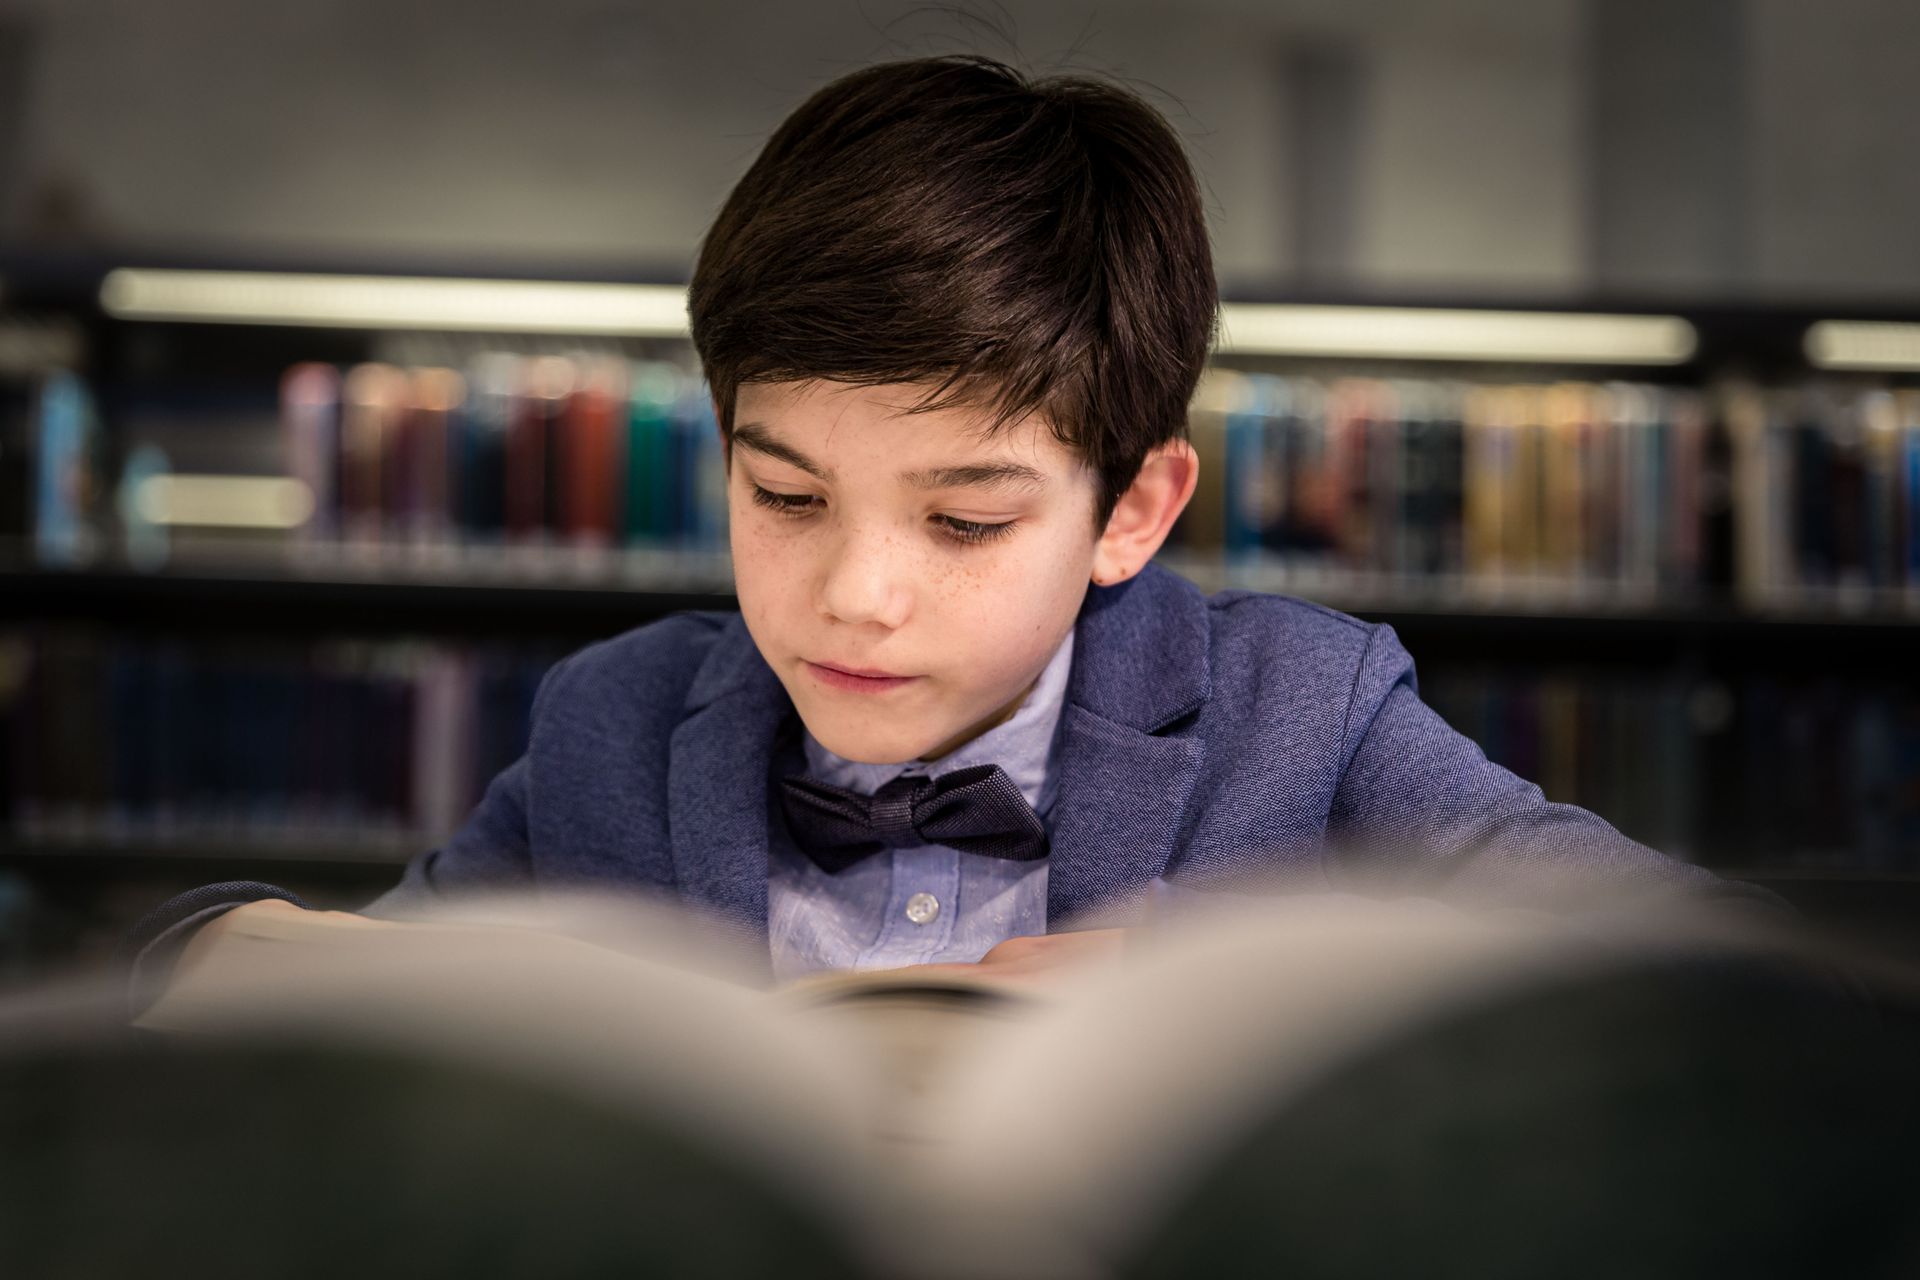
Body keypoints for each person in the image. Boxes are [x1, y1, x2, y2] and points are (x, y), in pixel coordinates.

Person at [127, 54, 1778, 1000]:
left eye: (968, 521)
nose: (854, 595)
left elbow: (1715, 969)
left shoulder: (1310, 720)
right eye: (782, 496)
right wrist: (225, 952)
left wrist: (1271, 979)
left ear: (1132, 509)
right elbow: (242, 974)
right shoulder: (616, 731)